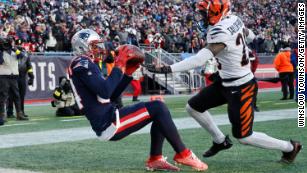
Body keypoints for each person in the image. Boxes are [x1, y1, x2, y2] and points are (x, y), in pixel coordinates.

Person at [145, 0, 302, 164]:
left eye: (204, 14)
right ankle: (220, 140)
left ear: (216, 12)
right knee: (193, 107)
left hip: (241, 87)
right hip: (226, 81)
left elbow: (199, 60)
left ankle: (290, 147)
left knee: (244, 136)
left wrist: (167, 69)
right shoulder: (234, 19)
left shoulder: (220, 32)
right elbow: (251, 35)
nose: (200, 17)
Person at [68, 29, 207, 171]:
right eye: (94, 45)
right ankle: (183, 153)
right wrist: (120, 64)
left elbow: (110, 96)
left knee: (159, 111)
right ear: (82, 47)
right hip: (108, 122)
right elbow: (105, 91)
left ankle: (155, 159)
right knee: (158, 107)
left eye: (98, 45)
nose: (99, 49)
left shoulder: (84, 63)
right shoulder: (81, 63)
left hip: (108, 117)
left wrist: (127, 73)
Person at [0, 37, 28, 126]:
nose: (7, 45)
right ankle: (2, 115)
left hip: (14, 77)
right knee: (3, 96)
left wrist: (14, 48)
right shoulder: (1, 52)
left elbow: (23, 57)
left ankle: (19, 114)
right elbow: (0, 62)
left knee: (17, 95)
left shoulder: (16, 51)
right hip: (4, 76)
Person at [7, 39, 34, 118]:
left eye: (21, 44)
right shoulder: (11, 52)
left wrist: (31, 76)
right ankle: (10, 111)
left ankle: (21, 111)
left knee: (21, 95)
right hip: (13, 76)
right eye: (17, 44)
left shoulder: (25, 53)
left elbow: (29, 66)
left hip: (22, 77)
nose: (19, 45)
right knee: (11, 95)